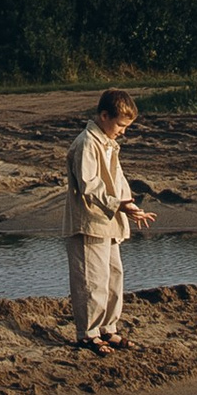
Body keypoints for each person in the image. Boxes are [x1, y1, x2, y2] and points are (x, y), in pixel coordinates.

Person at [65, 88, 153, 351]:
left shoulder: (107, 143)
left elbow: (118, 180)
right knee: (92, 281)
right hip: (89, 223)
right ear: (104, 116)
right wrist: (118, 205)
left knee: (113, 277)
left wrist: (130, 206)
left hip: (109, 223)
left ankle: (108, 329)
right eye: (121, 125)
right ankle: (87, 334)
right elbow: (89, 184)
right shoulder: (86, 142)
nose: (123, 131)